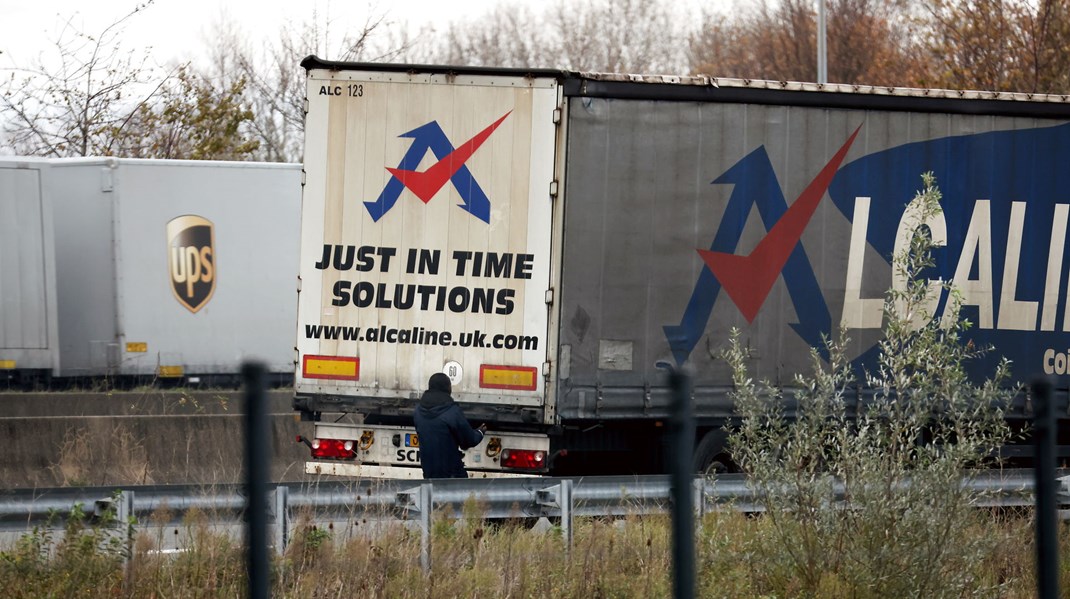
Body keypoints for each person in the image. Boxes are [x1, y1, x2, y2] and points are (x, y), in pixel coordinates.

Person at [413, 372, 486, 479]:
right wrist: (480, 432)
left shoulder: (418, 412)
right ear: (446, 388)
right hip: (452, 474)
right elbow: (468, 441)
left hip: (429, 474)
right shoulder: (451, 412)